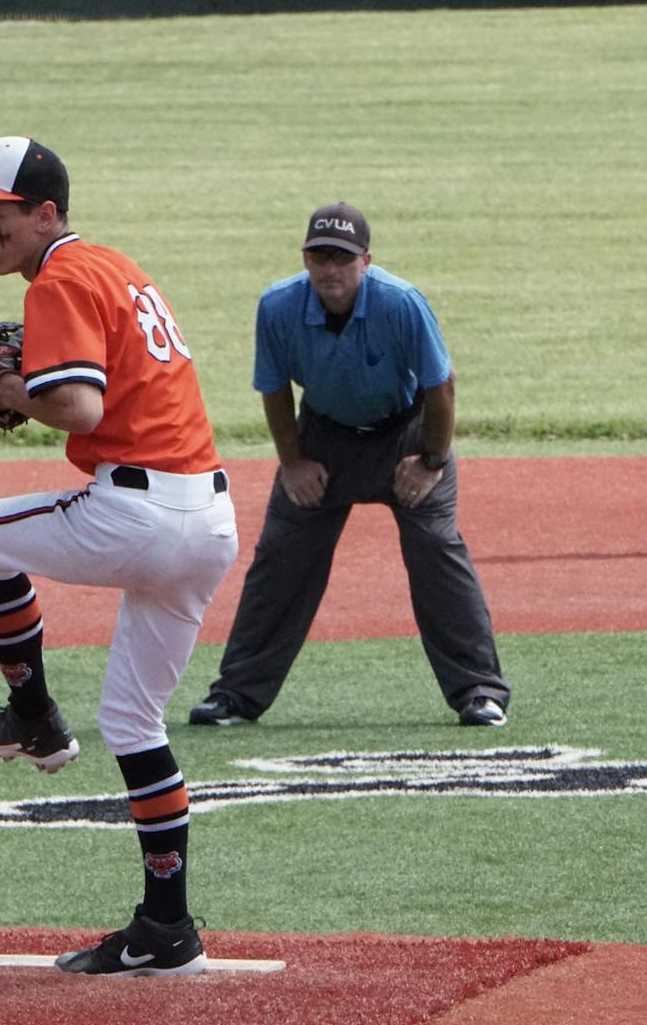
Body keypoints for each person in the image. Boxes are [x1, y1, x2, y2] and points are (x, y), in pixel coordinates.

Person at [0, 136, 239, 977]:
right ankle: (168, 928)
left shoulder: (63, 276)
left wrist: (1, 387)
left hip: (140, 512)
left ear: (45, 213)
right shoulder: (115, 267)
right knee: (135, 724)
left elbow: (74, 403)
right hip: (207, 517)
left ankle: (32, 718)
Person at [189, 203, 510, 731]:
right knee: (280, 555)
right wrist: (292, 463)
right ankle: (236, 695)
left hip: (407, 435)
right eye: (320, 257)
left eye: (342, 258)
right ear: (305, 259)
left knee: (435, 548)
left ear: (366, 261)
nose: (330, 270)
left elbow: (441, 385)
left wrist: (431, 462)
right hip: (323, 436)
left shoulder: (401, 302)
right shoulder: (277, 306)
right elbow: (273, 390)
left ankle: (479, 692)